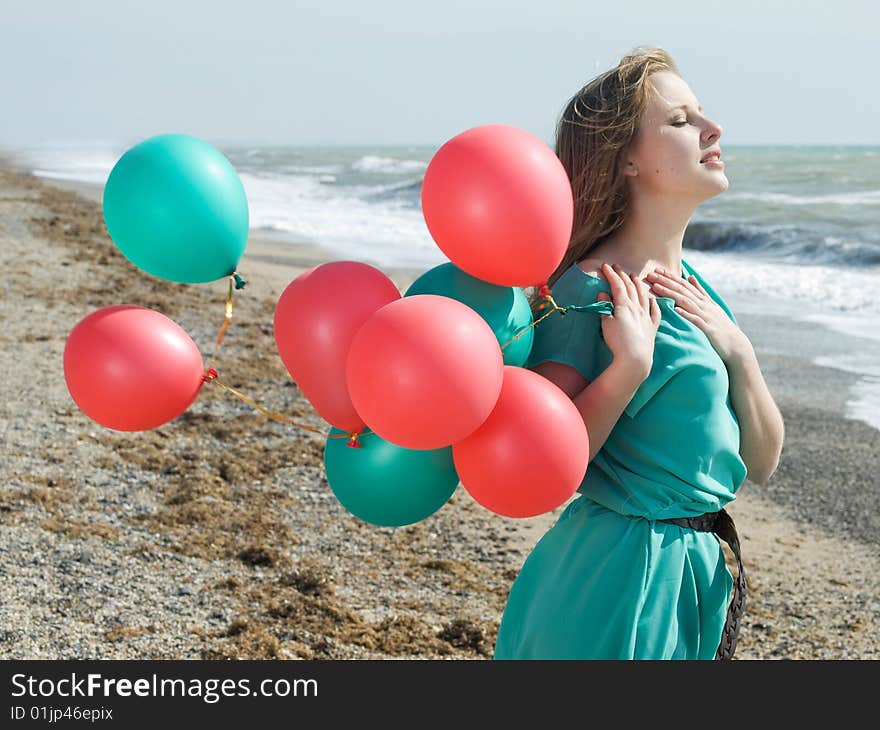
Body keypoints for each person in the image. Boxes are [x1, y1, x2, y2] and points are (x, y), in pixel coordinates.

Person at [493, 46, 785, 660]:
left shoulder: (699, 293)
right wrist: (628, 369)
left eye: (701, 113)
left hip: (697, 572)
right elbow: (543, 470)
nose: (713, 129)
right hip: (620, 578)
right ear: (625, 159)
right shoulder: (582, 293)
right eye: (681, 121)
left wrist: (740, 353)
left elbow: (761, 462)